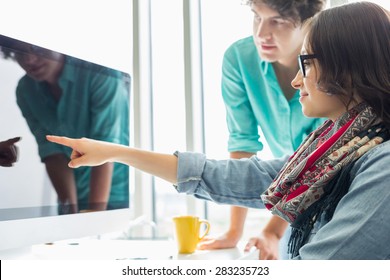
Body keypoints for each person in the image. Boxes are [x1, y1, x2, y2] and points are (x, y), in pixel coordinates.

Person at [47, 1, 390, 259]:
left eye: (307, 63)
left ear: (345, 67)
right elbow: (233, 175)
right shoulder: (337, 148)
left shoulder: (382, 165)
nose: (298, 79)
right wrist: (116, 152)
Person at [200, 0, 326, 258]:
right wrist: (234, 231)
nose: (261, 34)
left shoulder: (330, 65)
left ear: (307, 24)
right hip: (292, 187)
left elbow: (318, 159)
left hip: (330, 183)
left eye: (277, 21)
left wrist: (273, 231)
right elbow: (242, 143)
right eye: (257, 17)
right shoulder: (238, 58)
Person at [2, 39, 130, 212]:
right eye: (20, 52)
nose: (29, 60)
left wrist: (94, 212)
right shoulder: (25, 90)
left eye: (37, 48)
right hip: (74, 196)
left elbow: (105, 149)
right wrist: (70, 211)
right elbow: (52, 153)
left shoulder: (101, 73)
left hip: (112, 195)